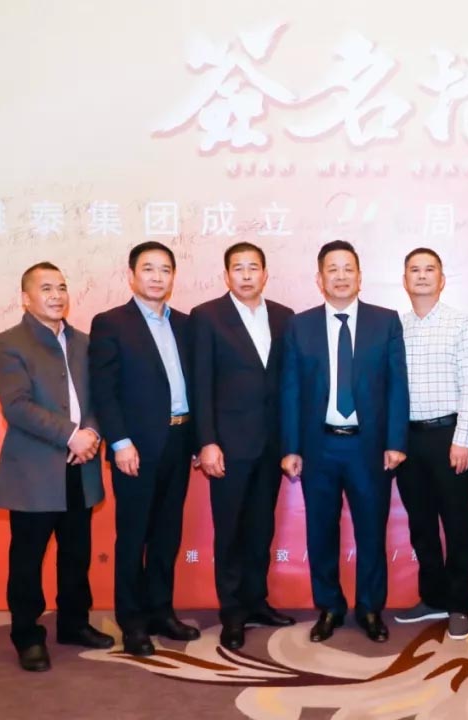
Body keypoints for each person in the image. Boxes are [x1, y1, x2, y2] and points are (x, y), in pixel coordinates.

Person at [280, 240, 409, 644]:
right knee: (320, 531)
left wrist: (396, 441)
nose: (340, 276)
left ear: (359, 275)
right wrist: (291, 447)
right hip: (318, 446)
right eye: (332, 269)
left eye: (347, 268)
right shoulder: (300, 325)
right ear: (319, 278)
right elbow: (291, 389)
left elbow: (397, 386)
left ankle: (370, 608)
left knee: (371, 530)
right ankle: (330, 607)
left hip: (368, 447)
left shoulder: (385, 322)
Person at [0, 262, 114, 672]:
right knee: (28, 559)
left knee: (76, 553)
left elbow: (98, 398)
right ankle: (27, 636)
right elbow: (16, 405)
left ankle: (74, 623)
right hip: (34, 470)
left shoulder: (85, 342)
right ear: (25, 298)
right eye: (46, 289)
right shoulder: (7, 343)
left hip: (81, 465)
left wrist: (91, 433)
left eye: (61, 287)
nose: (57, 295)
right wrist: (70, 435)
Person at [89, 241, 199, 656]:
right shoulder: (111, 323)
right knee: (134, 536)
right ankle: (132, 621)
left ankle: (160, 611)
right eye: (148, 269)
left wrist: (198, 439)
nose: (157, 277)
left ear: (173, 277)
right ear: (131, 275)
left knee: (167, 534)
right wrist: (120, 442)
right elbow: (104, 390)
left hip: (179, 440)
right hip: (135, 447)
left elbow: (197, 385)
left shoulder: (185, 324)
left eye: (165, 269)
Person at [190, 242, 296, 651]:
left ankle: (256, 602)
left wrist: (290, 443)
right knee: (230, 531)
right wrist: (207, 441)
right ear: (226, 275)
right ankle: (232, 612)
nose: (247, 275)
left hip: (271, 445)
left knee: (260, 528)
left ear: (265, 274)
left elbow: (289, 383)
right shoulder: (207, 316)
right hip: (228, 446)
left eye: (254, 267)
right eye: (239, 268)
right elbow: (201, 384)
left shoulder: (284, 317)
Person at [392, 248, 468, 641]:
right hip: (408, 440)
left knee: (456, 523)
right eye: (415, 270)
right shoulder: (396, 327)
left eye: (430, 270)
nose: (422, 276)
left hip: (449, 437)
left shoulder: (460, 323)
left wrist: (463, 438)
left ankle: (460, 604)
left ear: (442, 280)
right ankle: (432, 597)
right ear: (405, 280)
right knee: (421, 523)